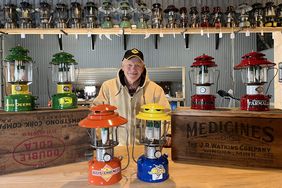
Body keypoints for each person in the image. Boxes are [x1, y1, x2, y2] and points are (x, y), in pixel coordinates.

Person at [93, 48, 170, 145]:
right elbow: (96, 114)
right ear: (122, 66)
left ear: (143, 68)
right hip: (115, 147)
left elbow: (166, 116)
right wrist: (100, 139)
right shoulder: (108, 87)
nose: (133, 69)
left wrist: (166, 135)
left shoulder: (156, 90)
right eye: (129, 65)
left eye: (137, 65)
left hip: (147, 148)